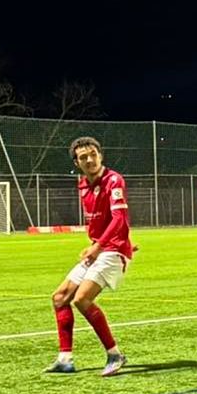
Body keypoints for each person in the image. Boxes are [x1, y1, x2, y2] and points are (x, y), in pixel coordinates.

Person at [44, 137, 131, 377]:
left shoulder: (114, 180)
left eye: (93, 154)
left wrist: (102, 246)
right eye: (83, 157)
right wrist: (95, 246)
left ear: (100, 155)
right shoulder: (82, 185)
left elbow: (119, 220)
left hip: (111, 250)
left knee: (81, 299)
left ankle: (115, 355)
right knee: (60, 297)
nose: (90, 160)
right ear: (77, 162)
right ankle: (65, 359)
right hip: (99, 249)